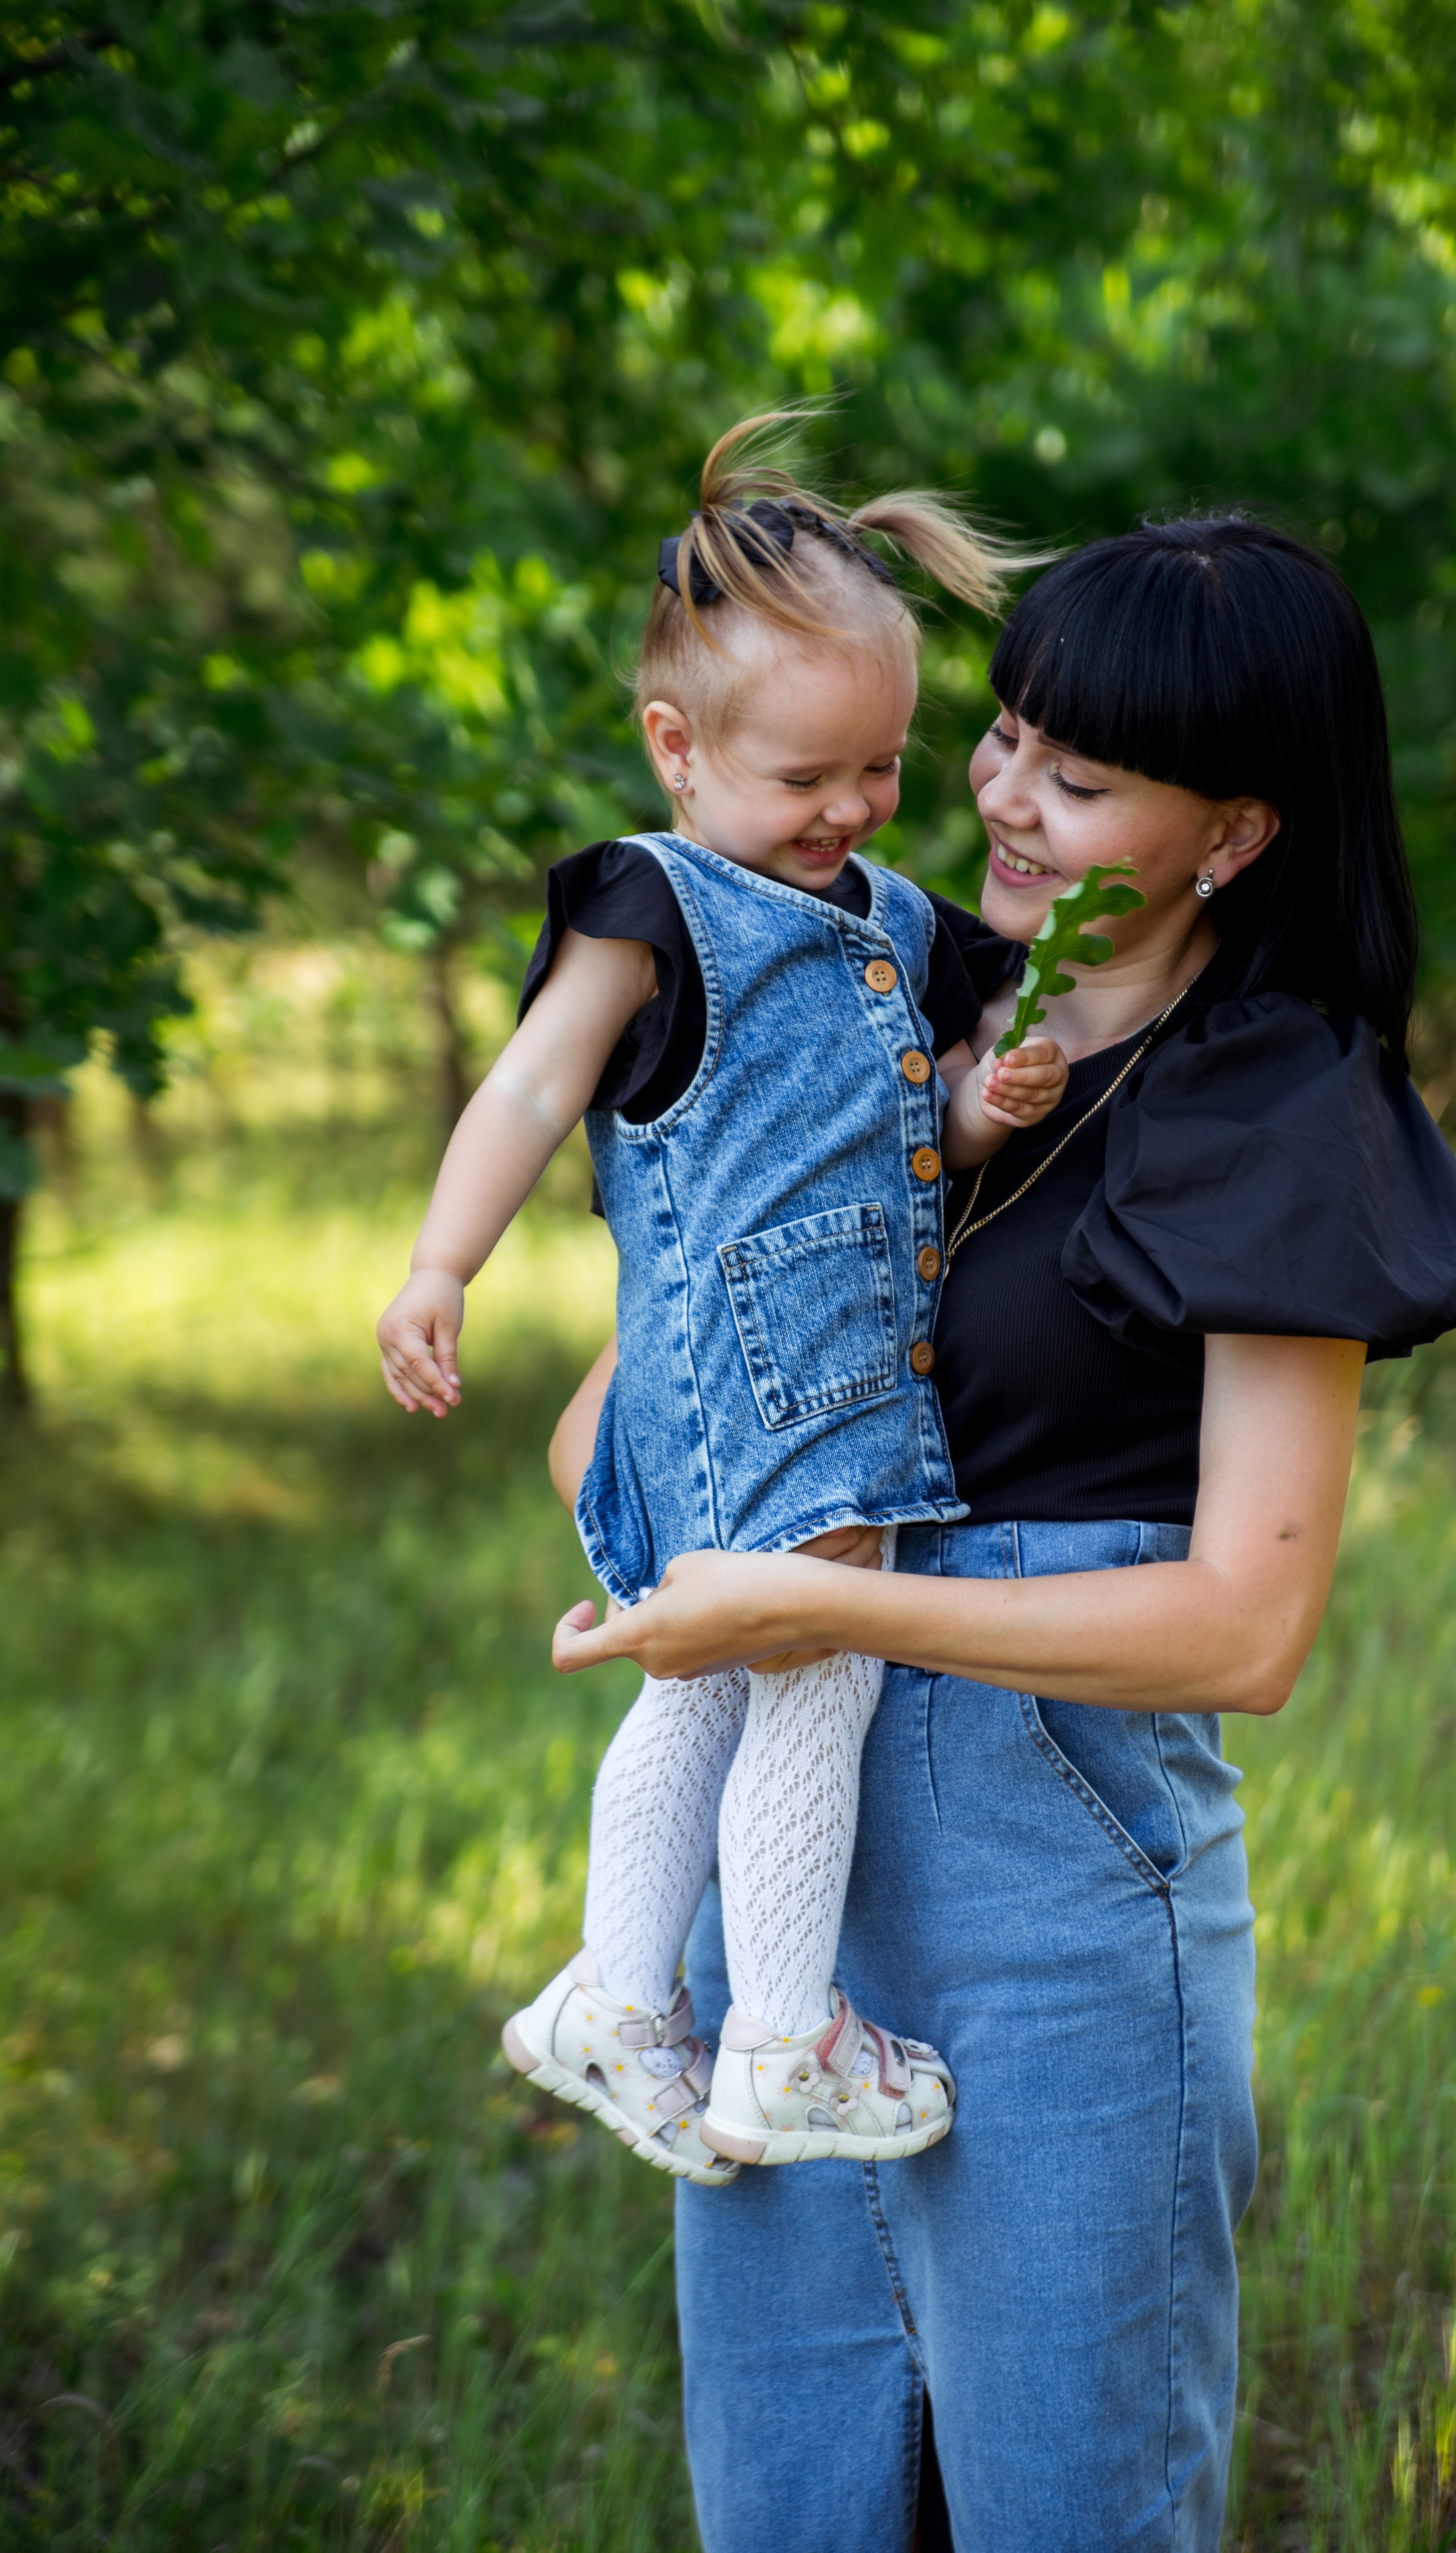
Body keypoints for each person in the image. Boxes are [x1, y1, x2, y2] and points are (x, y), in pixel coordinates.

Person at [550, 518, 1456, 2552]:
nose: (994, 794)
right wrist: (706, 1516)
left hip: (1052, 1910)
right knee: (798, 2506)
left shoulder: (1270, 1103)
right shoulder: (874, 991)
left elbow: (1246, 1624)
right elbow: (605, 1421)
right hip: (782, 1909)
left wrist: (800, 1592)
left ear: (1230, 834)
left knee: (1068, 2510)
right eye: (1001, 739)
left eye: (1076, 782)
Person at [375, 416, 1065, 2189]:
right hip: (754, 1389)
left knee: (698, 1689)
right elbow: (533, 1092)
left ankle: (615, 1996)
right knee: (819, 1679)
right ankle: (782, 2036)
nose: (847, 813)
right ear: (677, 752)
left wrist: (990, 1103)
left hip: (825, 1380)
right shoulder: (653, 904)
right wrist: (443, 1264)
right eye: (804, 778)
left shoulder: (897, 923)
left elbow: (922, 1123)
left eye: (880, 772)